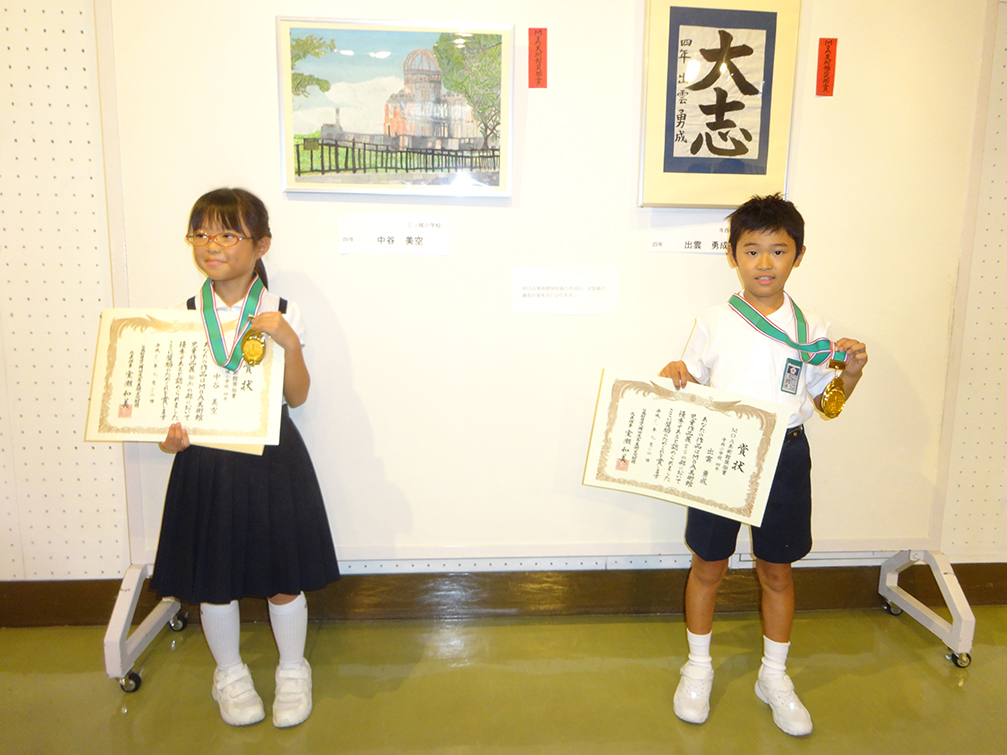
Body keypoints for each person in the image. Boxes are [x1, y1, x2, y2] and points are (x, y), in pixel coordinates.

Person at [659, 193, 867, 737]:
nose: (764, 263)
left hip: (786, 454)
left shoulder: (812, 328)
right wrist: (677, 374)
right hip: (722, 450)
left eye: (778, 250)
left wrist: (850, 374)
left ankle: (773, 676)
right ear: (733, 256)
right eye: (751, 251)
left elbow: (826, 406)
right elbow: (691, 389)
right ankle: (697, 668)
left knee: (777, 571)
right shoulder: (712, 321)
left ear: (799, 255)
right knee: (709, 564)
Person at [150, 188, 340, 728]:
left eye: (228, 234)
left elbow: (297, 397)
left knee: (283, 575)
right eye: (201, 233)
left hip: (272, 455)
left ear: (261, 245)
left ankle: (293, 668)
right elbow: (167, 413)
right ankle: (229, 674)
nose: (211, 245)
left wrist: (291, 344)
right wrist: (168, 440)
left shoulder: (284, 312)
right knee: (215, 579)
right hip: (205, 463)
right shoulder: (181, 318)